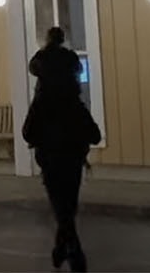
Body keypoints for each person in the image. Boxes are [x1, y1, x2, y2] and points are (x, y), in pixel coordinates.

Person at [22, 58, 101, 273]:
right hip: (72, 162)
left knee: (62, 210)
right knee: (67, 208)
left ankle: (69, 250)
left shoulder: (41, 105)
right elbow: (95, 135)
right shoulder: (74, 105)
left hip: (51, 162)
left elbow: (27, 132)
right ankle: (68, 251)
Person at [29, 27, 82, 95]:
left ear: (48, 39)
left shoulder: (41, 55)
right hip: (68, 96)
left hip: (45, 96)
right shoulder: (69, 55)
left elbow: (32, 69)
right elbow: (79, 69)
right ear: (62, 39)